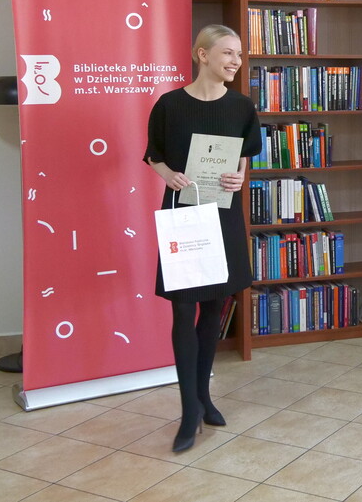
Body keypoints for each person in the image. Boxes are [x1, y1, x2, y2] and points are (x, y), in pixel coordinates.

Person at [143, 24, 261, 453]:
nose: (236, 61)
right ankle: (189, 410)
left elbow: (244, 157)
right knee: (183, 310)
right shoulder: (169, 104)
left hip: (223, 215)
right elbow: (153, 155)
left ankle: (204, 397)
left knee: (214, 307)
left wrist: (239, 178)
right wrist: (168, 175)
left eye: (239, 55)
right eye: (228, 53)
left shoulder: (242, 107)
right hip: (184, 216)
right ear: (202, 54)